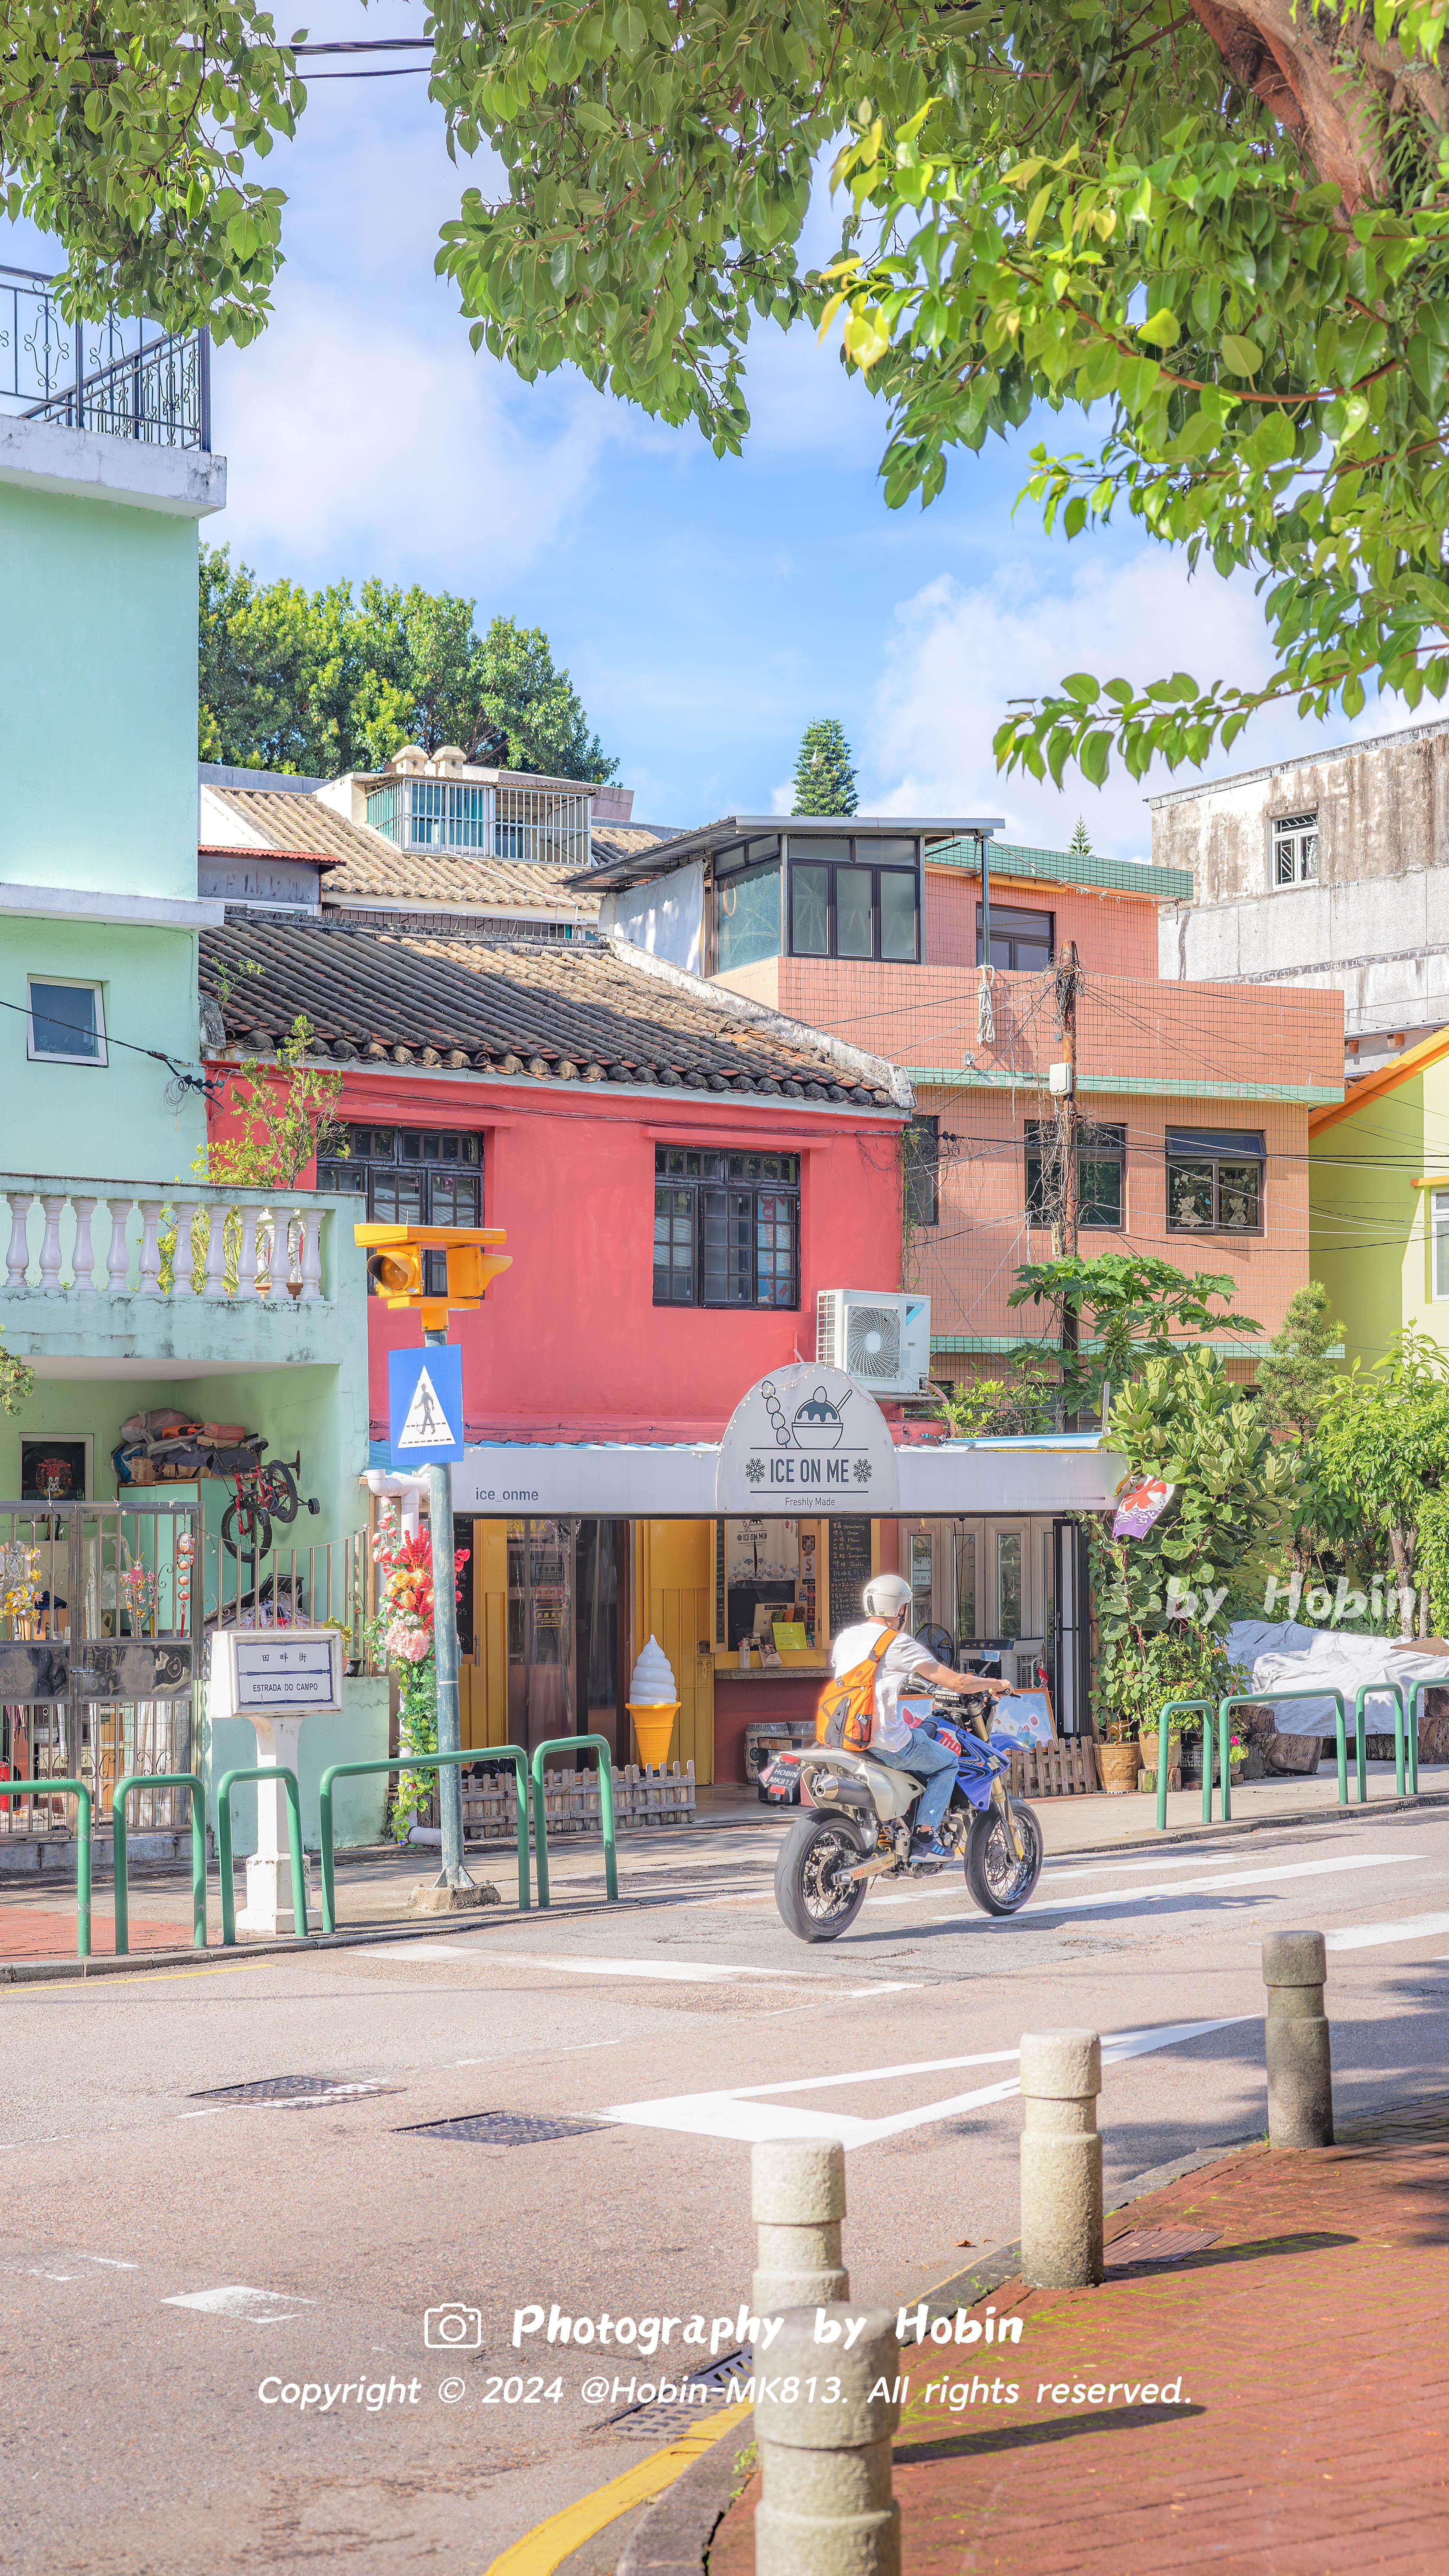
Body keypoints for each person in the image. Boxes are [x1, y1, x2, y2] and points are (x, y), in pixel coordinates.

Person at [831, 1572, 1011, 1859]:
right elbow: (958, 1683)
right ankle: (924, 1836)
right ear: (899, 1609)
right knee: (947, 1763)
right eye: (904, 1608)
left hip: (844, 1735)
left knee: (922, 1733)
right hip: (884, 1740)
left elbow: (869, 1678)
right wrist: (995, 1683)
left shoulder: (845, 1638)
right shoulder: (897, 1643)